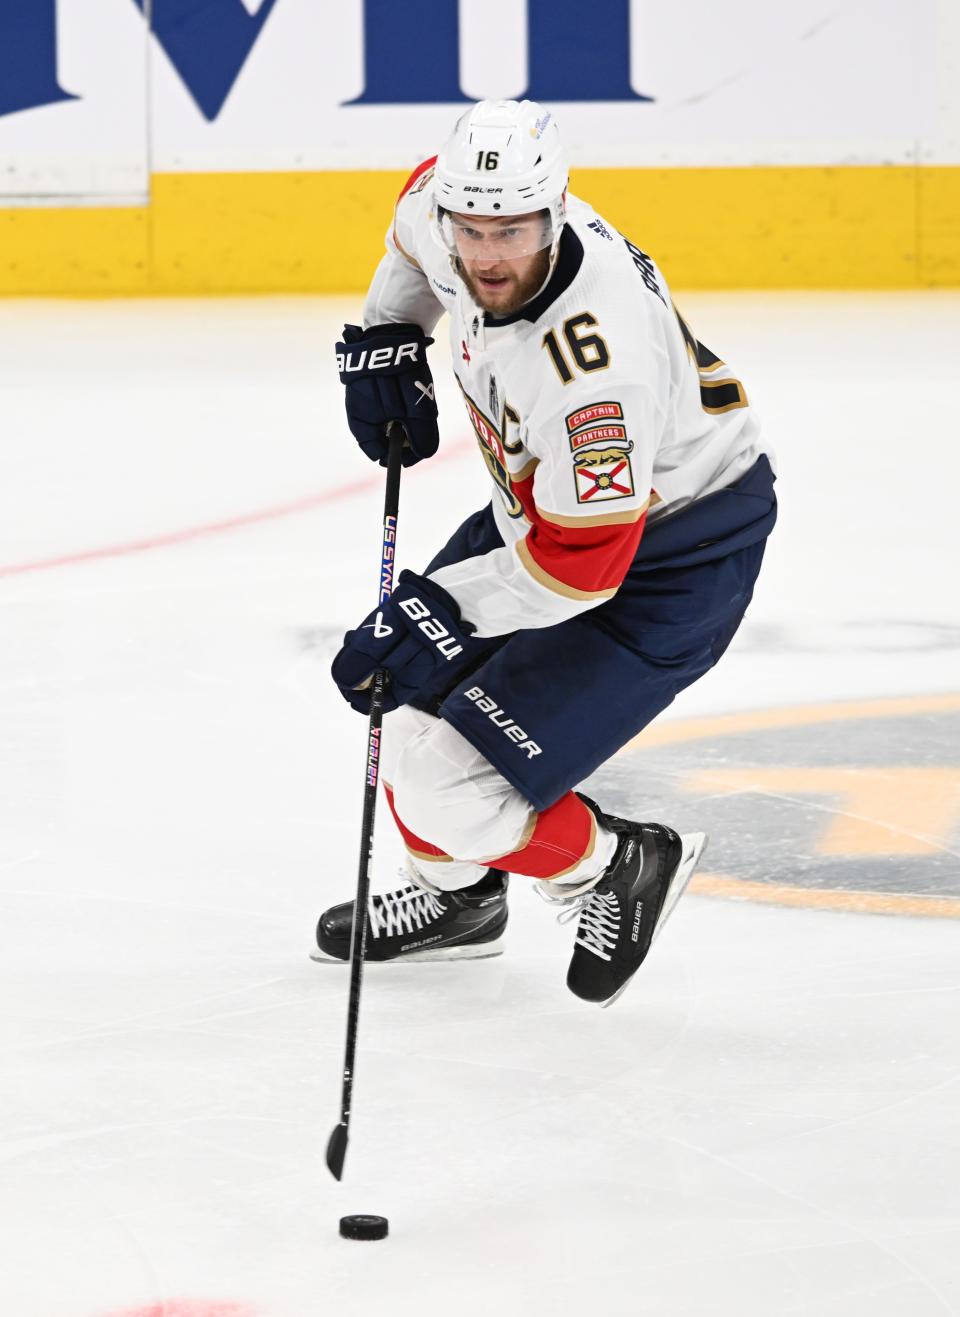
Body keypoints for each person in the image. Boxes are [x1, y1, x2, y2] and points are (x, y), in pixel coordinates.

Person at [312, 99, 776, 1007]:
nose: (487, 253)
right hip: (551, 515)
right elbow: (409, 241)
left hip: (668, 557)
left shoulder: (594, 373)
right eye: (472, 227)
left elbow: (584, 566)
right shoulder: (445, 217)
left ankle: (615, 863)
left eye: (513, 230)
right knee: (401, 705)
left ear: (557, 213)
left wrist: (443, 611)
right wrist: (387, 333)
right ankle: (463, 900)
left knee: (451, 789)